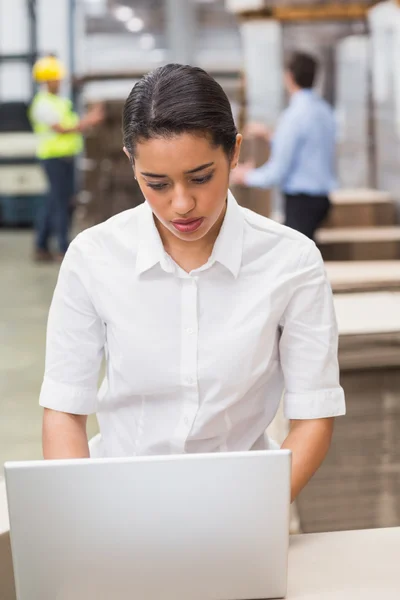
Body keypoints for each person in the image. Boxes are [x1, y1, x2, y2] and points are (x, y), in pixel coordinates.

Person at [40, 64, 345, 503]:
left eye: (201, 178)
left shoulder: (291, 262)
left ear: (235, 153)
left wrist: (252, 513)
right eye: (156, 183)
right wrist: (86, 519)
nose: (181, 205)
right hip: (118, 504)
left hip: (243, 504)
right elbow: (65, 411)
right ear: (132, 163)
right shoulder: (94, 258)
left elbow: (314, 414)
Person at [231, 51, 337, 241]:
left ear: (289, 76)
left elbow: (277, 171)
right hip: (322, 199)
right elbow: (309, 149)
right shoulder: (325, 111)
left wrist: (246, 176)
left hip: (301, 203)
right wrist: (272, 137)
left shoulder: (294, 116)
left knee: (296, 264)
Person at [29, 55, 104, 262]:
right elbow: (62, 129)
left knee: (55, 201)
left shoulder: (58, 101)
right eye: (56, 78)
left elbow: (69, 121)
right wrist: (91, 120)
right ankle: (63, 247)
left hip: (65, 158)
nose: (60, 81)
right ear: (47, 80)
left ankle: (41, 246)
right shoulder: (42, 104)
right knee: (61, 203)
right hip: (54, 159)